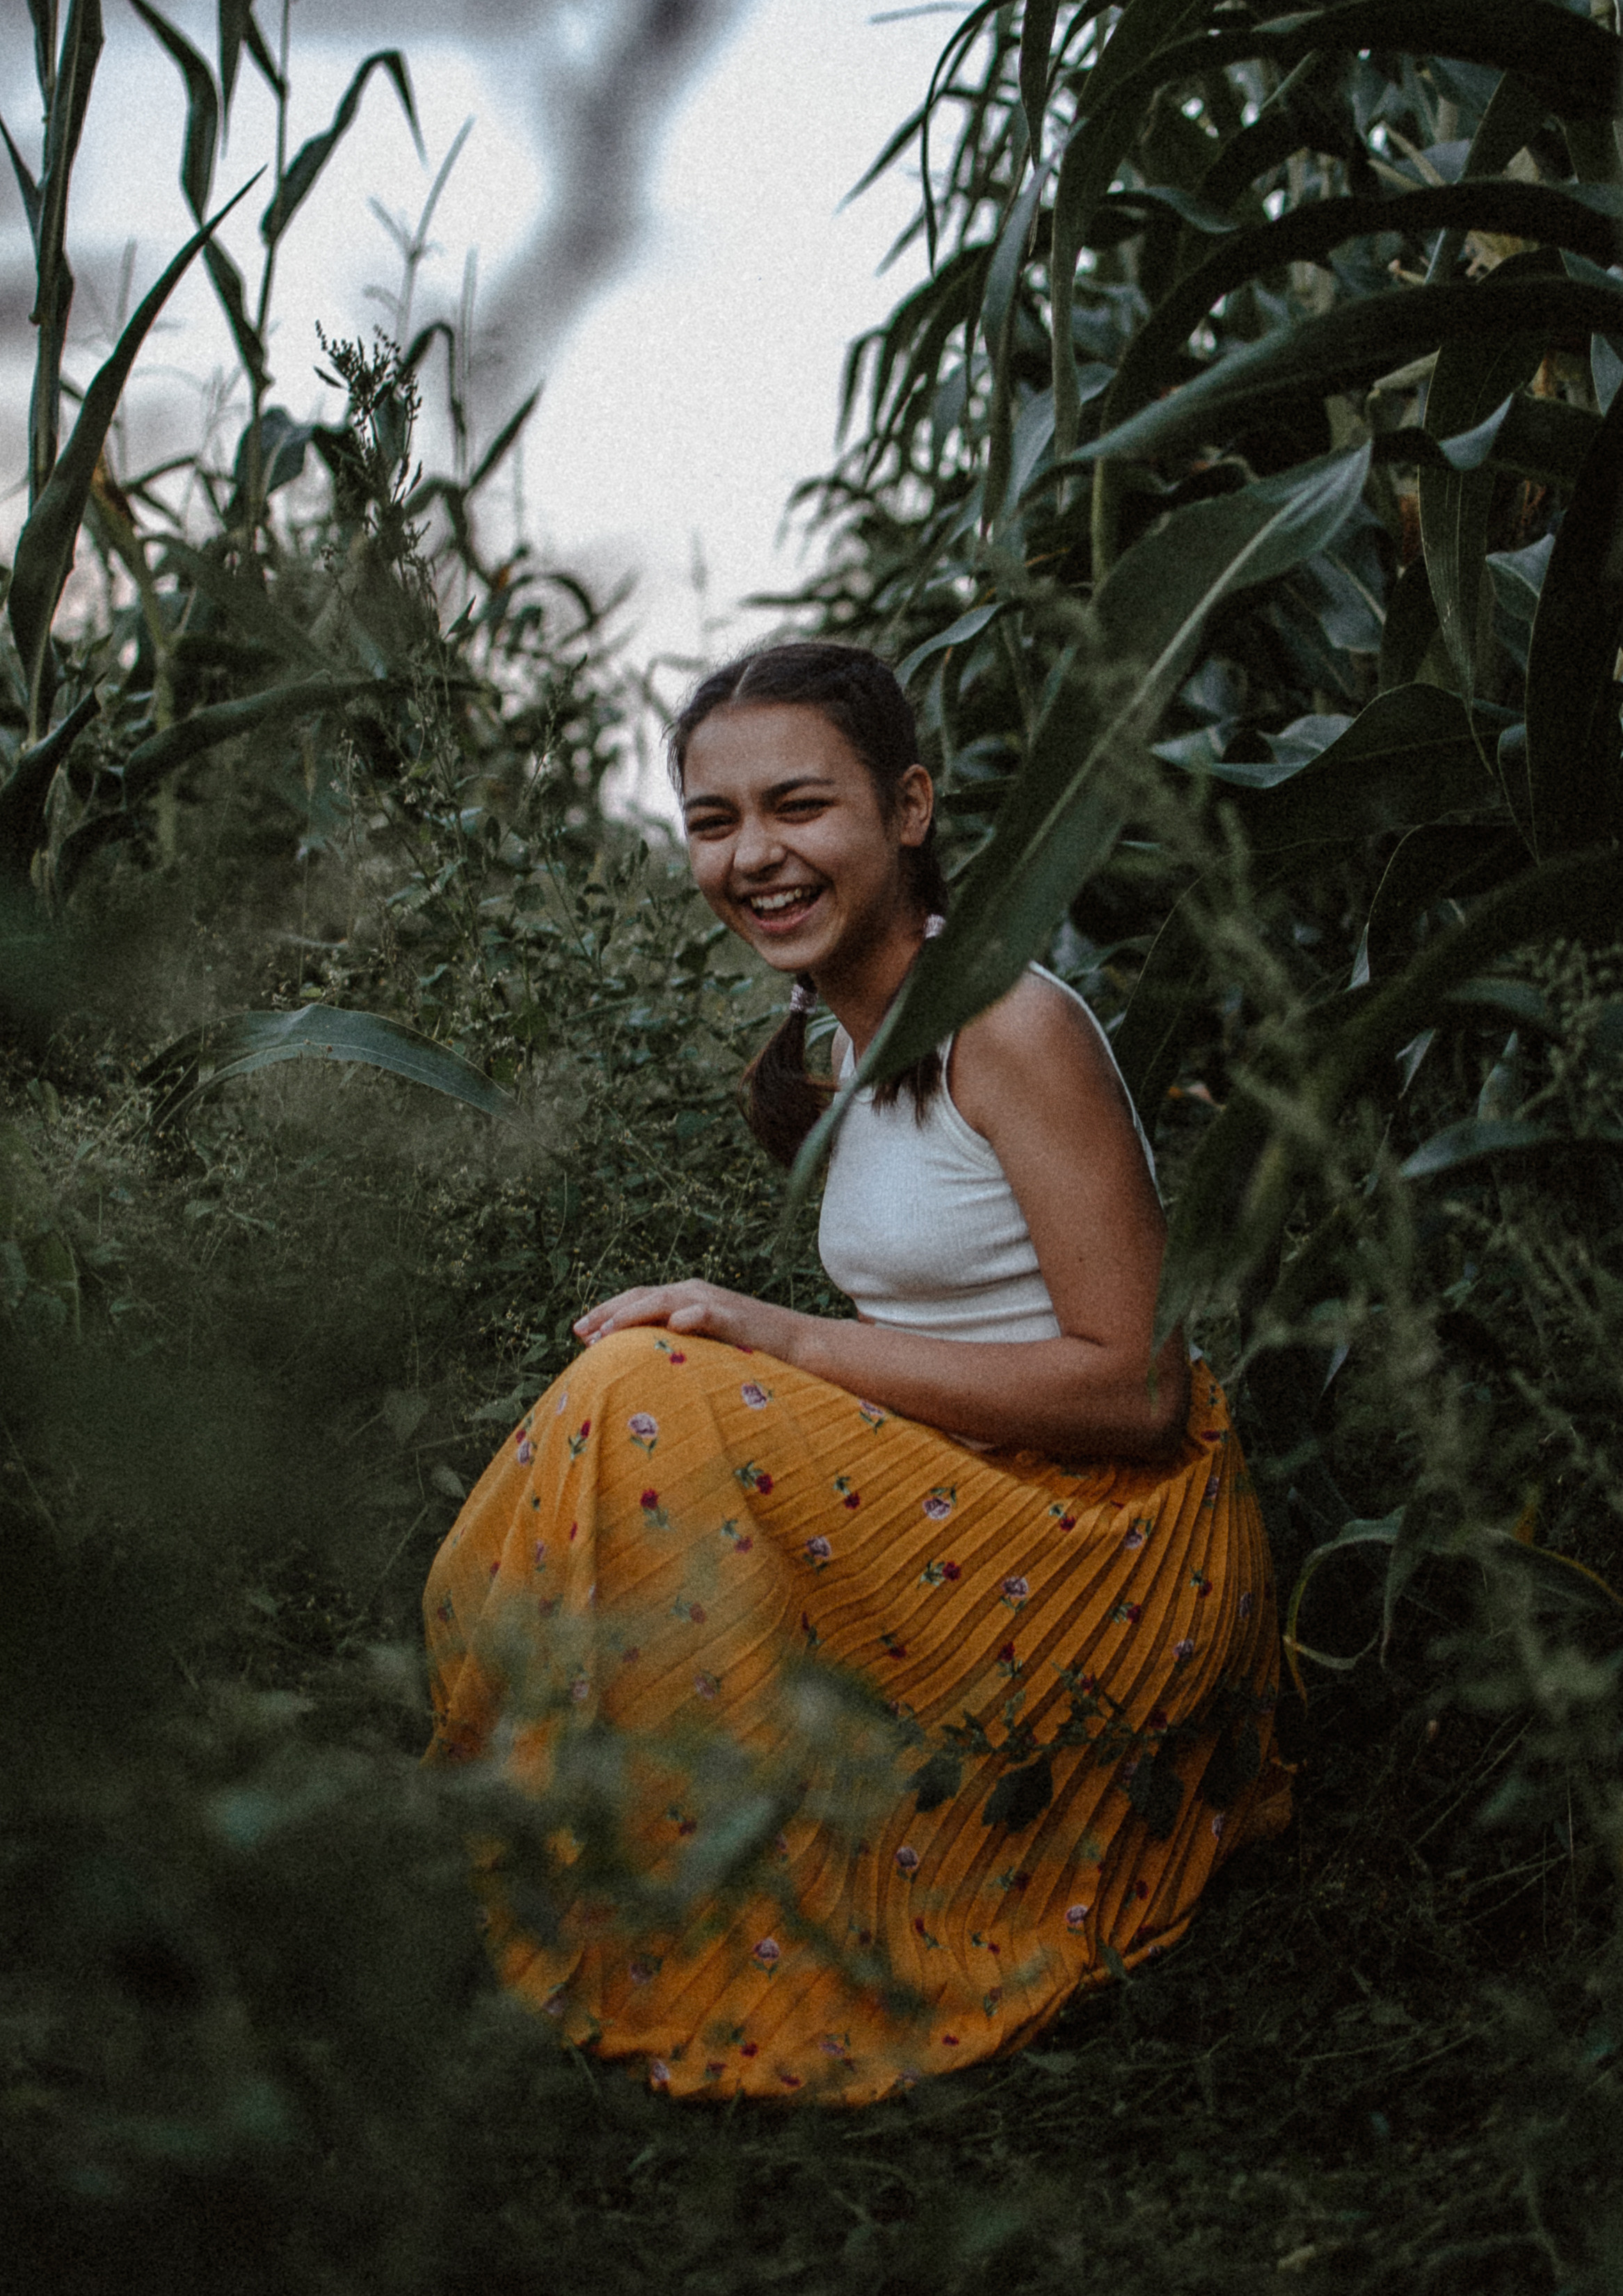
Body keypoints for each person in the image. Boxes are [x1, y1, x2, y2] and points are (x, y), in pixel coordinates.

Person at [423, 640, 1290, 2103]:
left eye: (799, 806)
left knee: (648, 1388)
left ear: (909, 808)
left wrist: (773, 1333)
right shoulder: (836, 1044)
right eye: (714, 822)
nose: (753, 855)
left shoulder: (1008, 1026)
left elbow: (1141, 1395)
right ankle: (574, 1853)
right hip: (979, 1500)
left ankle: (583, 1862)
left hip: (1115, 1549)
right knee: (646, 1383)